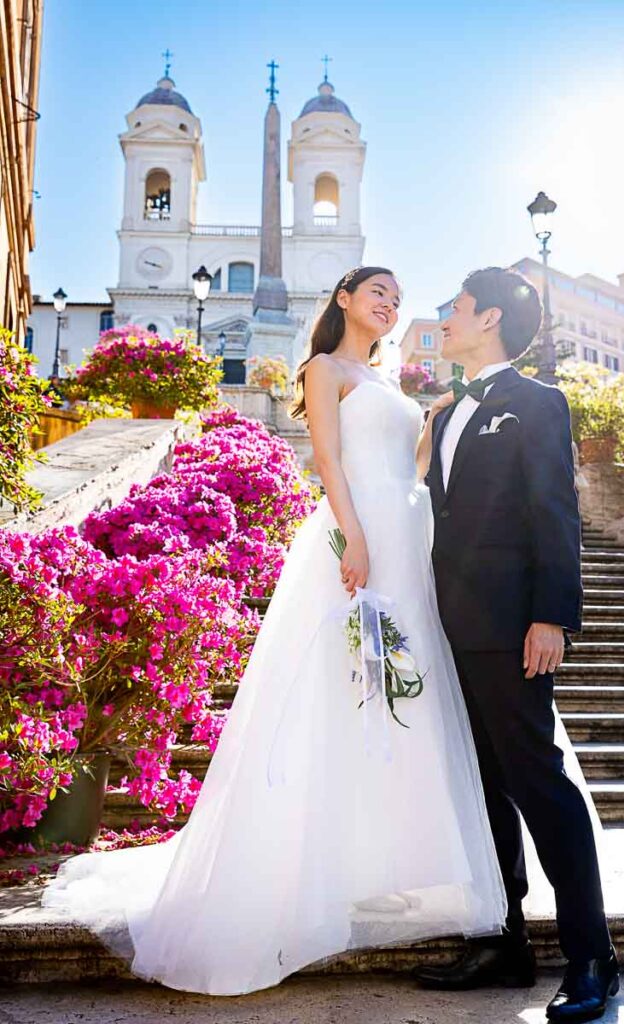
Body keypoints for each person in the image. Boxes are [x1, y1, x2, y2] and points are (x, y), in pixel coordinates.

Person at [43, 267, 507, 996]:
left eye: (397, 298)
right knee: (340, 690)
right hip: (360, 537)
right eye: (377, 292)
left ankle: (379, 861)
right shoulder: (324, 367)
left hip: (407, 535)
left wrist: (437, 422)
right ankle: (311, 864)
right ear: (344, 300)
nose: (389, 304)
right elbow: (327, 459)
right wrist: (353, 538)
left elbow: (407, 468)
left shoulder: (387, 380)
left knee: (396, 701)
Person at [412, 267, 619, 1023]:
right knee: (484, 789)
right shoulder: (443, 409)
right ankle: (507, 941)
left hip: (509, 625)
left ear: (490, 318)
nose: (446, 319)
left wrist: (550, 617)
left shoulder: (536, 402)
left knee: (539, 785)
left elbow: (553, 510)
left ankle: (591, 957)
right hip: (447, 626)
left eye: (455, 308)